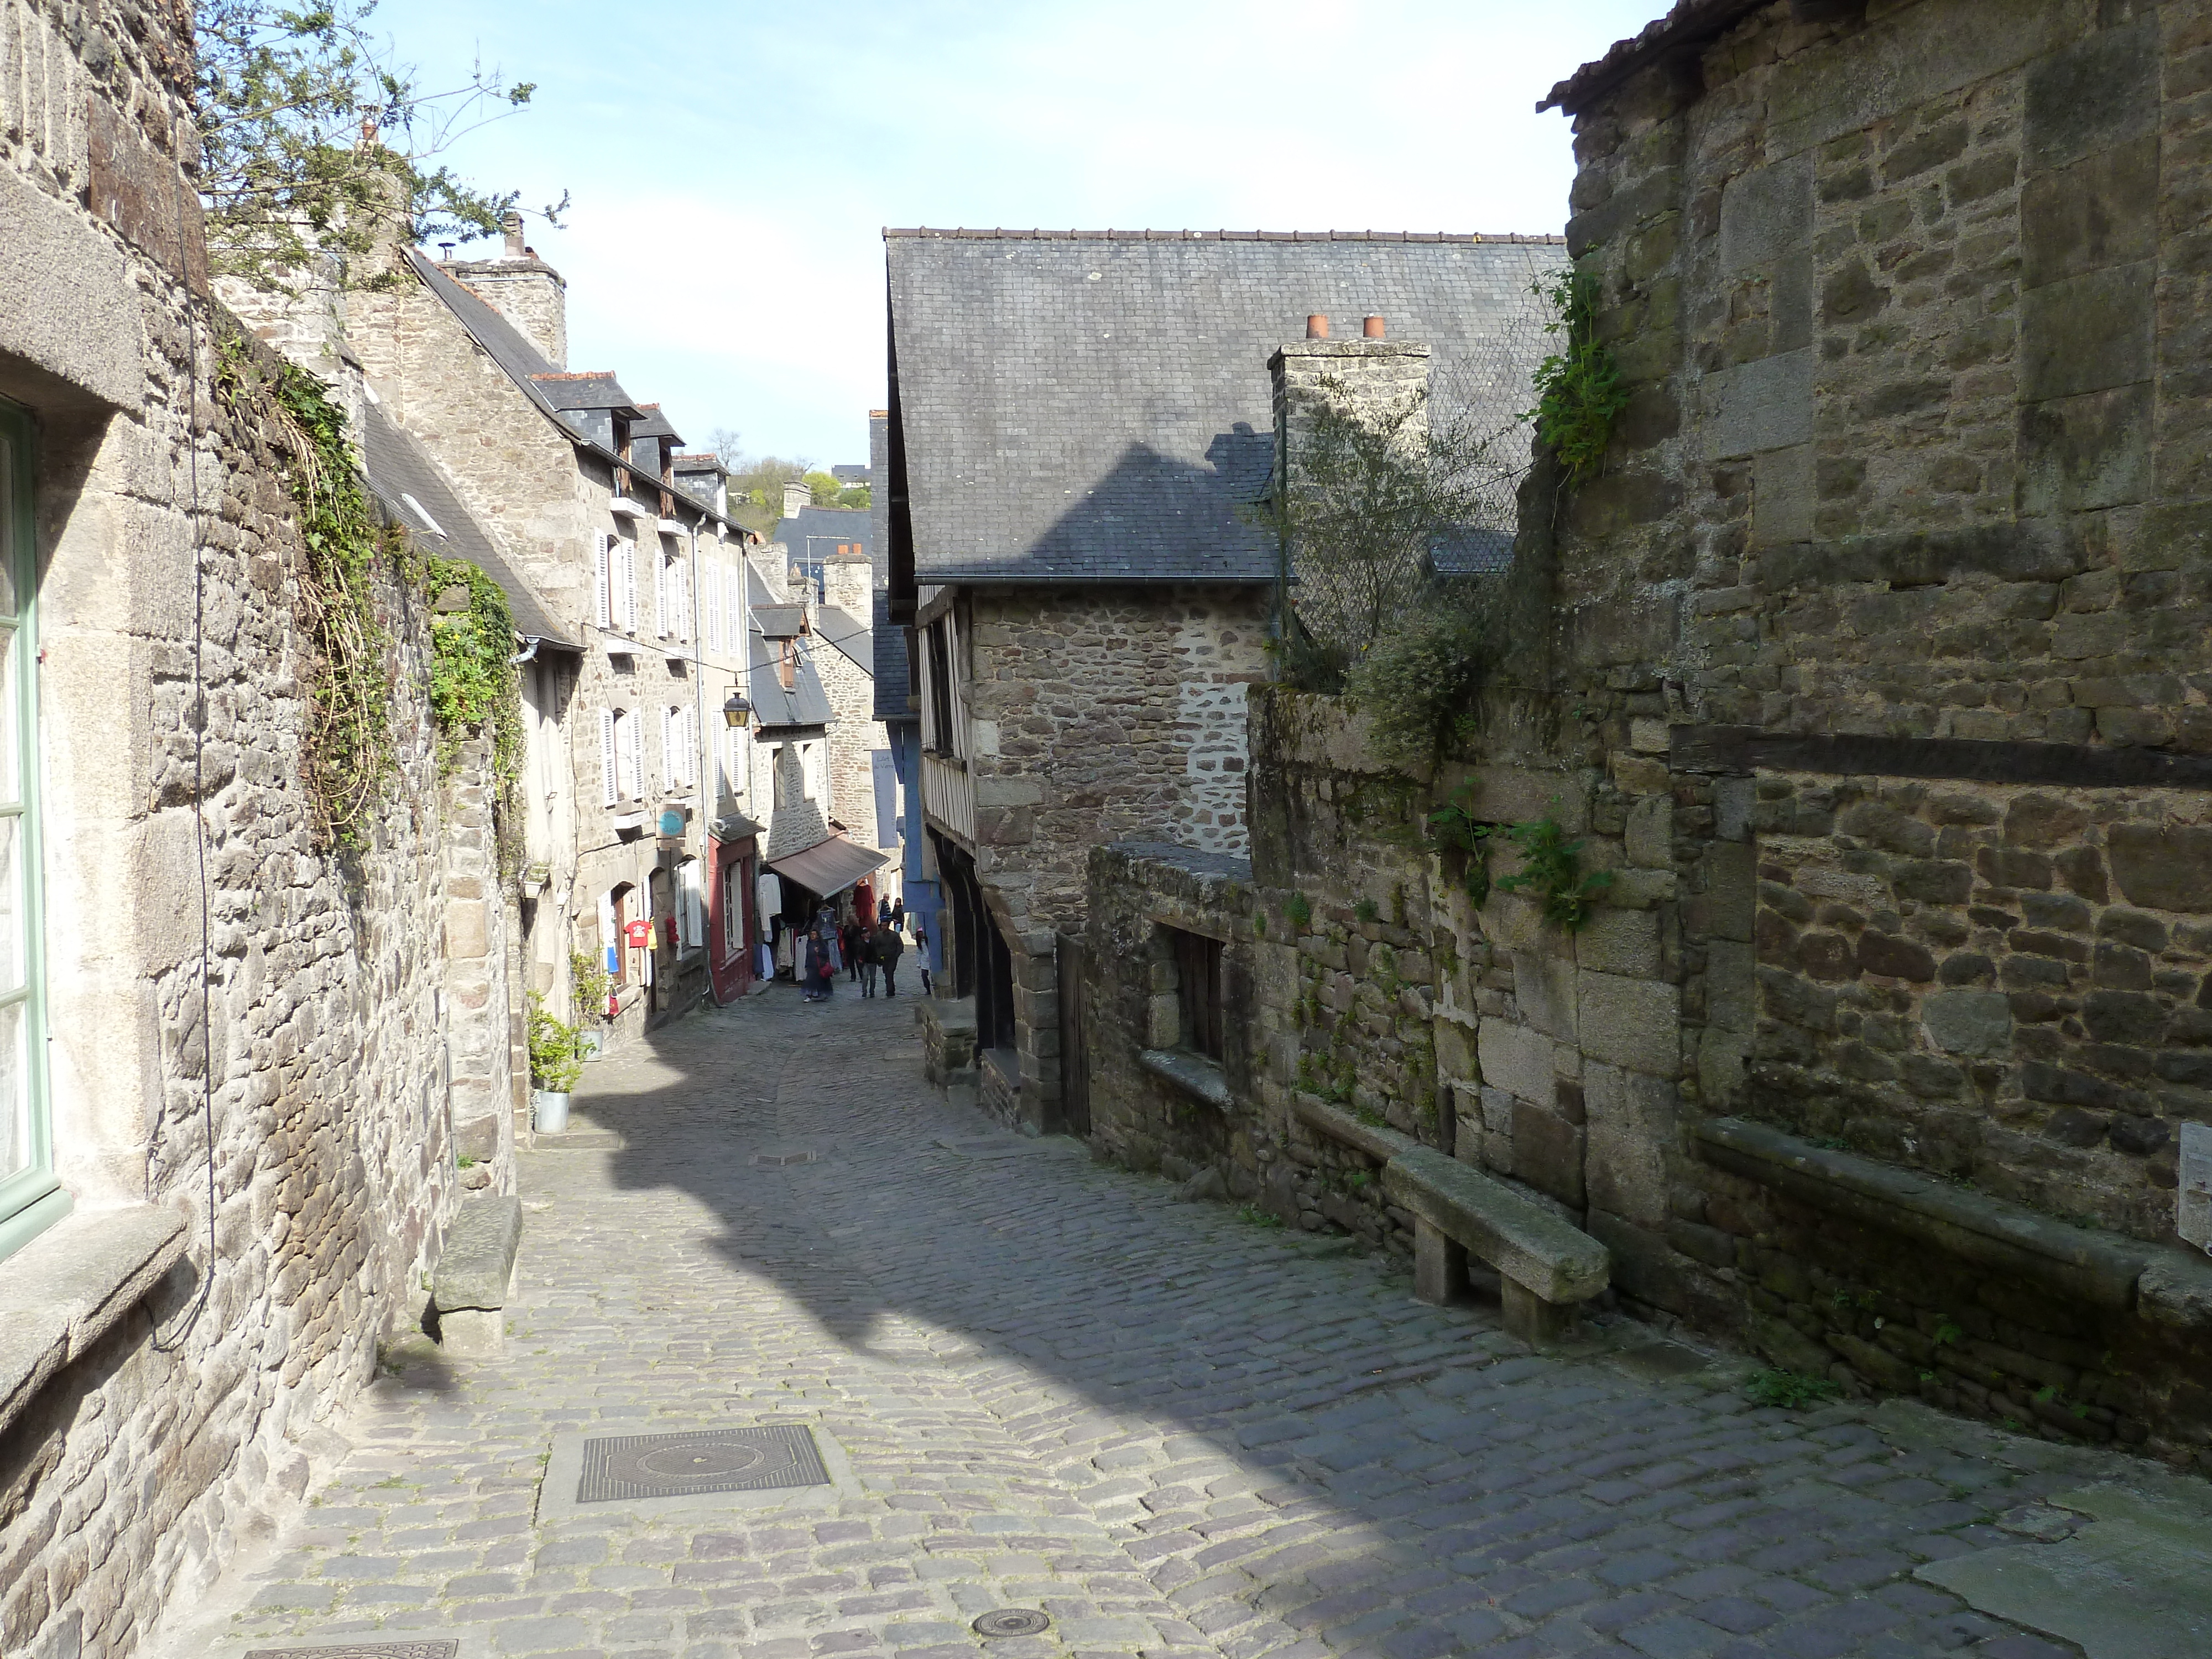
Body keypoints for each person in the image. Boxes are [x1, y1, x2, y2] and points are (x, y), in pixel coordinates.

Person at [874, 921, 905, 998]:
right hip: (884, 958)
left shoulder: (894, 935)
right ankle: (891, 988)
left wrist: (897, 954)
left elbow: (900, 945)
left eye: (885, 926)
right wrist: (879, 955)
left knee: (890, 973)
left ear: (888, 926)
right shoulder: (879, 935)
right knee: (887, 974)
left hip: (892, 958)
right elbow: (876, 946)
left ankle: (890, 990)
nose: (883, 927)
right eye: (882, 926)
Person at [857, 924, 880, 998]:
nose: (868, 934)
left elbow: (877, 950)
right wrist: (859, 959)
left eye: (868, 932)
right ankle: (864, 991)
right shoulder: (860, 943)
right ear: (863, 935)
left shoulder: (874, 940)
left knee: (873, 978)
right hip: (865, 962)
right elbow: (857, 952)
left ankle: (872, 992)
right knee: (865, 977)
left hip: (873, 962)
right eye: (866, 933)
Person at [910, 921, 932, 997]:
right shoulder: (920, 943)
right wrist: (919, 963)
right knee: (924, 975)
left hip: (932, 960)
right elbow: (919, 953)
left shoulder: (929, 942)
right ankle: (928, 989)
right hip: (924, 961)